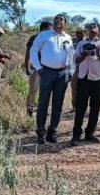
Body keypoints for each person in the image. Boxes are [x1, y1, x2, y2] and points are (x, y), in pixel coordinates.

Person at [30, 14, 75, 144]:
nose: (58, 22)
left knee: (58, 103)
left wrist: (71, 71)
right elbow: (33, 50)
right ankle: (40, 132)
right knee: (43, 102)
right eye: (56, 20)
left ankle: (52, 132)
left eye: (61, 20)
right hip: (46, 72)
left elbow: (72, 55)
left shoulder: (68, 38)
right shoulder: (44, 35)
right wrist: (38, 67)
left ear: (65, 23)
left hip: (63, 73)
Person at [71, 23, 100, 146]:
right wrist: (83, 55)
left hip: (98, 79)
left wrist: (99, 54)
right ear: (87, 31)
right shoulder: (81, 44)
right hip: (83, 78)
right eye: (90, 29)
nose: (93, 31)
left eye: (95, 29)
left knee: (95, 107)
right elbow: (75, 60)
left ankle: (90, 133)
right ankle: (76, 134)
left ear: (99, 31)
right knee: (80, 107)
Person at [24, 21, 52, 117]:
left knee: (45, 90)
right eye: (49, 28)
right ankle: (30, 110)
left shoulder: (49, 39)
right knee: (33, 89)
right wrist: (27, 67)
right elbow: (28, 54)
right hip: (36, 68)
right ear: (43, 28)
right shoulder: (34, 38)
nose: (50, 30)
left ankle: (43, 109)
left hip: (47, 69)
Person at [70, 25, 85, 111]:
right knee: (74, 85)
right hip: (75, 66)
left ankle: (83, 105)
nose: (79, 34)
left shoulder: (87, 41)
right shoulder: (73, 41)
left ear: (84, 33)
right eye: (77, 33)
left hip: (85, 67)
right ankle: (74, 106)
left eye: (81, 33)